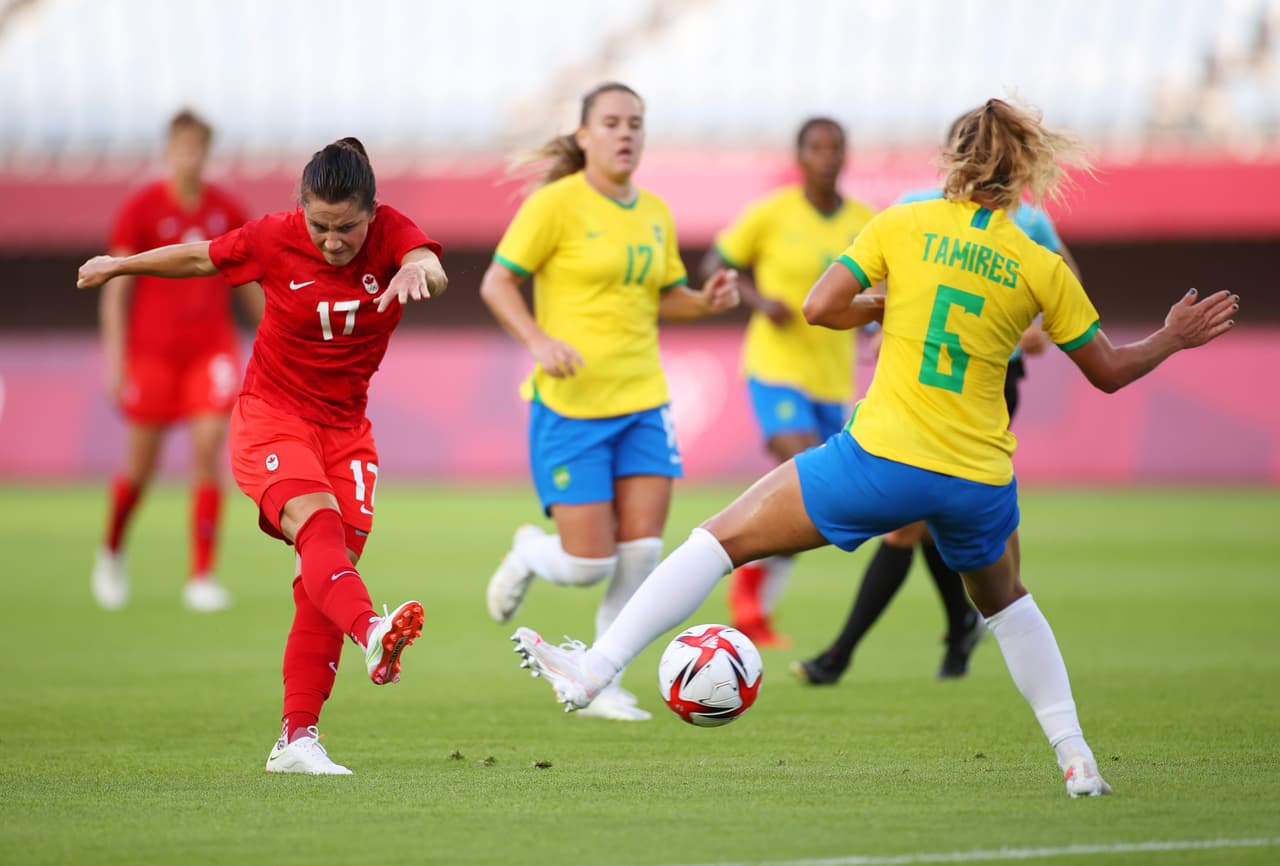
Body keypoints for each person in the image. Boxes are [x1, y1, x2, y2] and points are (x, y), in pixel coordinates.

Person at [510, 98, 1239, 797]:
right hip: (977, 477)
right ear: (1023, 174)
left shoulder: (905, 221)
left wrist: (885, 303)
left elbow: (821, 308)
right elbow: (1108, 371)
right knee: (1009, 606)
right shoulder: (1038, 261)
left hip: (883, 458)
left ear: (952, 161)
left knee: (717, 539)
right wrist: (1172, 337)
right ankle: (1076, 757)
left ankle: (595, 669)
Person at [78, 137, 448, 775]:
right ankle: (372, 633)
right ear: (300, 209)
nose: (333, 241)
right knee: (323, 530)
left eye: (348, 228)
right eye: (320, 225)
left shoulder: (393, 234)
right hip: (271, 417)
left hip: (347, 429)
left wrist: (419, 269)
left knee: (322, 581)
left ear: (373, 212)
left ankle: (297, 740)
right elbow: (199, 258)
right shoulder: (274, 237)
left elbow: (427, 264)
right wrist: (121, 264)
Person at [792, 115, 1087, 685]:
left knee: (911, 522)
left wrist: (1031, 333)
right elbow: (892, 291)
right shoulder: (916, 208)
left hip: (988, 386)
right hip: (917, 383)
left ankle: (841, 656)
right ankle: (954, 630)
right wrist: (883, 326)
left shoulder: (1024, 222)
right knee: (928, 519)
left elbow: (1065, 294)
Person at [480, 82, 739, 721]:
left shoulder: (654, 210)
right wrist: (538, 340)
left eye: (636, 124)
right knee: (585, 563)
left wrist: (705, 301)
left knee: (643, 552)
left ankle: (601, 677)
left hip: (645, 401)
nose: (626, 134)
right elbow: (496, 282)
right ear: (584, 136)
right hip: (571, 406)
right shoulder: (556, 206)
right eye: (613, 123)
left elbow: (663, 295)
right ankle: (529, 552)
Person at [703, 117, 876, 648]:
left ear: (846, 156)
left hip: (830, 380)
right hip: (775, 370)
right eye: (816, 147)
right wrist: (758, 302)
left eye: (836, 147)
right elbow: (718, 261)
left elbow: (876, 291)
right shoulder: (772, 212)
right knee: (801, 474)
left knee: (818, 504)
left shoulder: (866, 222)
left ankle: (755, 596)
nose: (827, 156)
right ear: (799, 156)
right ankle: (743, 592)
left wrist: (873, 326)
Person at [92, 109, 263, 613]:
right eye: (182, 146)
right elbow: (115, 288)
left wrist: (276, 332)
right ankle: (112, 550)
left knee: (210, 451)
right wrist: (115, 358)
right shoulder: (141, 208)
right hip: (152, 355)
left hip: (210, 349)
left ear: (207, 152)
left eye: (198, 147)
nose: (190, 156)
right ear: (168, 150)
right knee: (140, 469)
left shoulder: (226, 208)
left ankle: (201, 575)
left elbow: (252, 280)